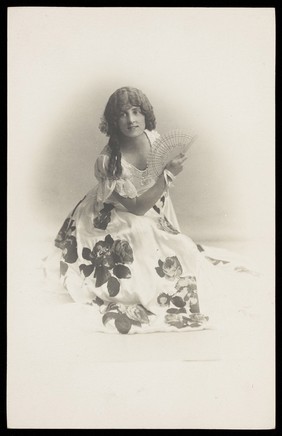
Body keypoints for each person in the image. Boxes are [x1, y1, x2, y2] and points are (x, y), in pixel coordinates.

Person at [45, 86, 258, 334]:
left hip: (147, 205)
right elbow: (135, 208)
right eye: (123, 114)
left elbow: (156, 195)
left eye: (136, 112)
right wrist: (167, 175)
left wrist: (165, 217)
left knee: (182, 247)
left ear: (146, 116)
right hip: (109, 214)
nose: (131, 120)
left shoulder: (153, 138)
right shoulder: (108, 161)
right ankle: (145, 291)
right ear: (113, 121)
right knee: (140, 234)